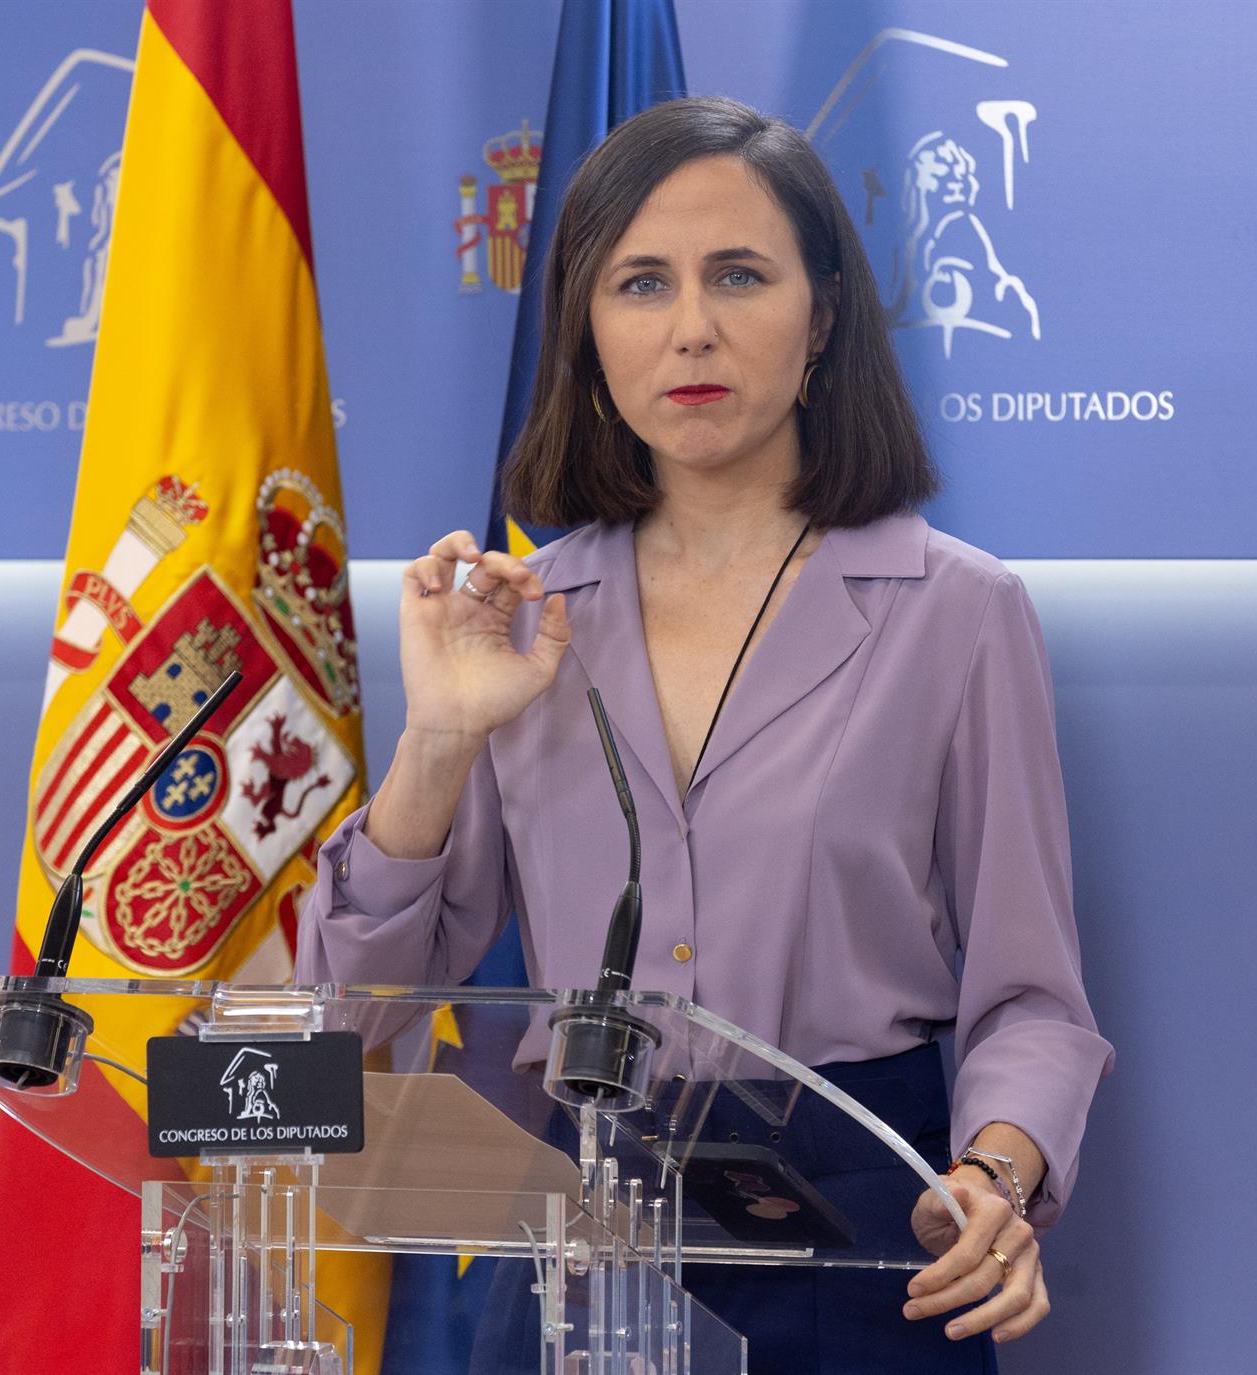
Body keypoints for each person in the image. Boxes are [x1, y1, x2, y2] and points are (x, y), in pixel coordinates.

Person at [294, 96, 1113, 1371]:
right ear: (586, 329)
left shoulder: (957, 612)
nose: (691, 328)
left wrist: (996, 1172)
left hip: (861, 1225)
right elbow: (340, 1022)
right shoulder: (521, 616)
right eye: (641, 283)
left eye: (739, 275)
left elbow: (1033, 1001)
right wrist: (440, 738)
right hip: (580, 1224)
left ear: (823, 315)